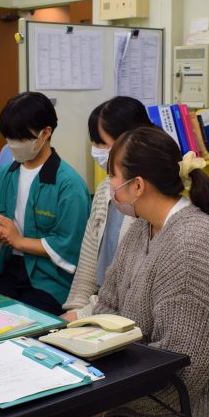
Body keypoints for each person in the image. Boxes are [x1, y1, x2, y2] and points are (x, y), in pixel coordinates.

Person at [79, 126, 209, 417]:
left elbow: (181, 375)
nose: (109, 185)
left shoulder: (193, 249)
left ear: (138, 186)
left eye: (112, 176)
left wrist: (101, 399)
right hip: (130, 396)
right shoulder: (143, 228)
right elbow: (106, 309)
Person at [0, 91, 91, 315]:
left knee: (22, 323)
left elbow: (71, 247)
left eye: (21, 138)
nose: (13, 145)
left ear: (45, 133)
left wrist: (18, 241)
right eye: (9, 138)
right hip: (9, 270)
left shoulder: (69, 186)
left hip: (51, 280)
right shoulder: (2, 178)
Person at [62, 96, 153, 318]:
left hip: (122, 313)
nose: (96, 150)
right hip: (99, 305)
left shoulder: (149, 202)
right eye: (93, 142)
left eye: (101, 142)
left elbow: (131, 291)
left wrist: (85, 314)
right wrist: (75, 308)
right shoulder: (105, 189)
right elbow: (88, 262)